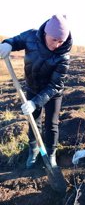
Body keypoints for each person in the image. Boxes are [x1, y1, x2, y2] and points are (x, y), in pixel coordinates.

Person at [0, 14, 73, 168]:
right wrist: (7, 43)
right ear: (46, 33)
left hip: (52, 93)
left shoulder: (63, 57)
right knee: (34, 121)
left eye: (61, 41)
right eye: (54, 39)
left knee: (51, 124)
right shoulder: (31, 37)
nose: (58, 44)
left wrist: (35, 102)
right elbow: (16, 40)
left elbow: (55, 85)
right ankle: (34, 150)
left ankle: (51, 154)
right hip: (33, 88)